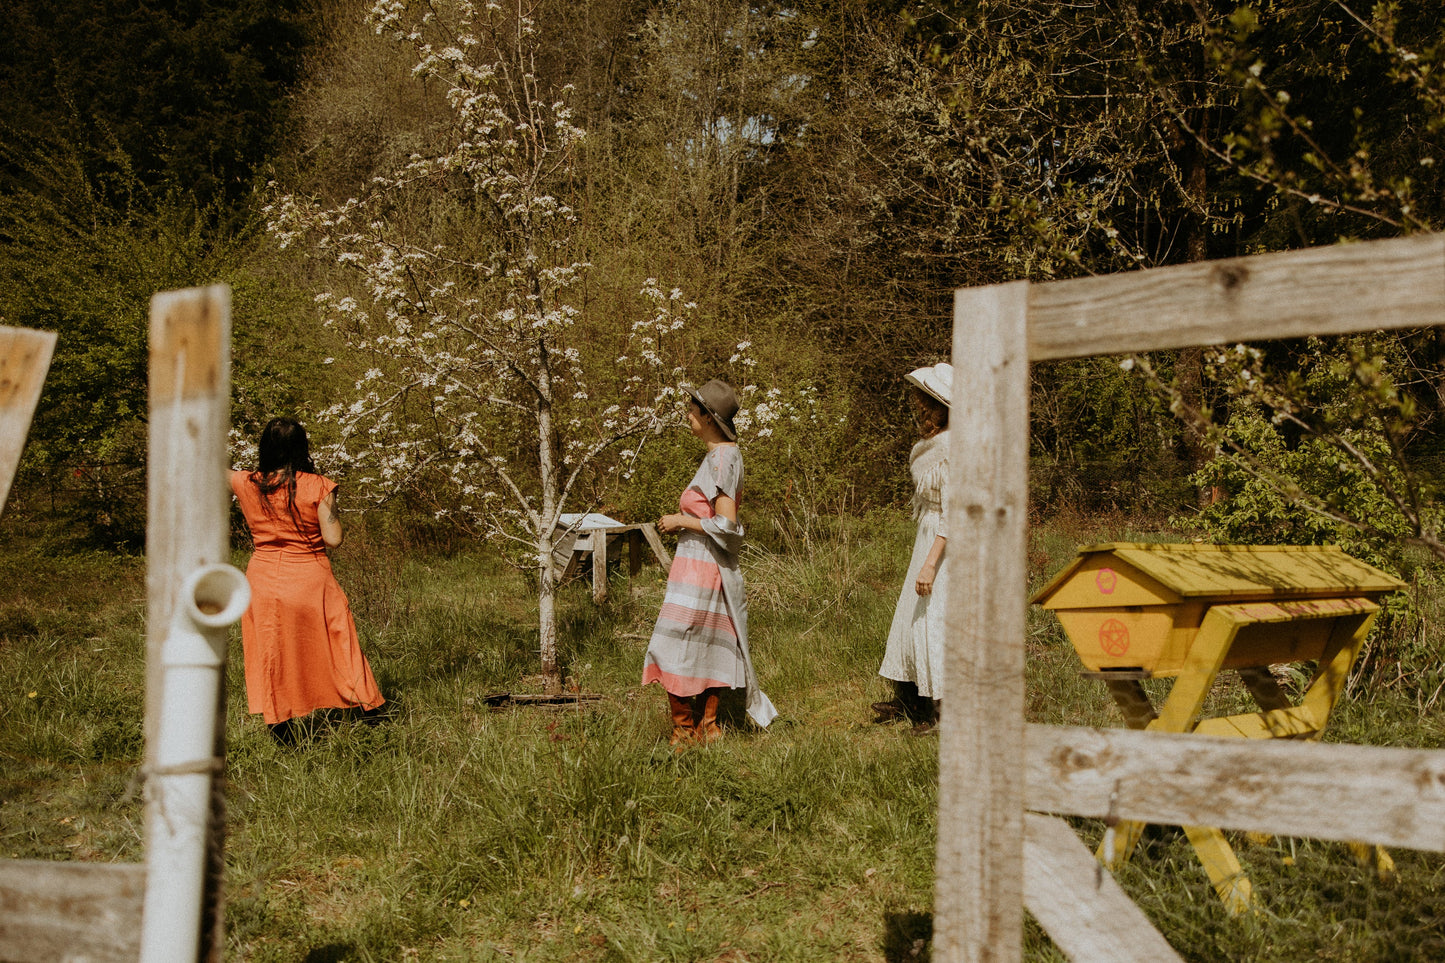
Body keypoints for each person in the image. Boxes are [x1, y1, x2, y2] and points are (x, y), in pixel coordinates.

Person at [230, 418, 385, 745]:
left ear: (265, 447)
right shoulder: (318, 486)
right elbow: (334, 539)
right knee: (339, 641)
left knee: (271, 651)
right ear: (302, 446)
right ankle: (371, 713)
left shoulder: (246, 482)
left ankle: (280, 728)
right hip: (309, 578)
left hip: (261, 578)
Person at [642, 379, 777, 747]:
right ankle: (704, 729)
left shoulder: (723, 457)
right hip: (696, 563)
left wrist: (680, 520)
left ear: (709, 418)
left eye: (692, 409)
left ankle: (689, 730)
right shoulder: (719, 455)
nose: (687, 414)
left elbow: (727, 525)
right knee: (703, 640)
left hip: (705, 564)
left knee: (672, 643)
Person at [874, 363, 951, 734]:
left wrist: (930, 565)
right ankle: (908, 698)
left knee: (931, 622)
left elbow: (954, 514)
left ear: (940, 406)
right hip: (928, 535)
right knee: (909, 617)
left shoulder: (952, 449)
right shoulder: (932, 446)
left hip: (943, 542)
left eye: (925, 400)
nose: (918, 406)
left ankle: (941, 714)